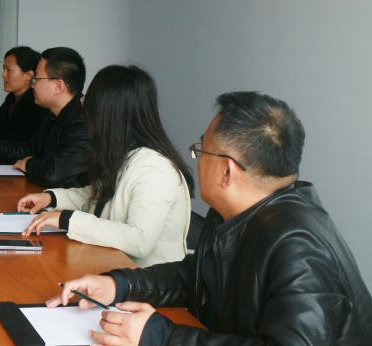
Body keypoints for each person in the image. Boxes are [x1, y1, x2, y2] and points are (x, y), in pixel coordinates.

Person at [51, 91, 372, 345]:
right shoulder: (240, 213)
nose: (197, 159)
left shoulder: (297, 245)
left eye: (201, 150)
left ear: (227, 171)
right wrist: (119, 284)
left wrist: (160, 336)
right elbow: (196, 277)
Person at [18, 65, 194, 267]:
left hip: (144, 278)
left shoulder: (155, 169)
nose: (84, 106)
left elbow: (139, 240)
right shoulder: (124, 153)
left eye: (89, 100)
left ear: (109, 113)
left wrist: (68, 220)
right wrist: (51, 198)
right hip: (110, 266)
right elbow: (97, 195)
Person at [0, 46, 90, 188]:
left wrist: (28, 164)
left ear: (58, 86)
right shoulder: (54, 114)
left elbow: (52, 174)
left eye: (36, 79)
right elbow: (31, 148)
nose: (32, 85)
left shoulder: (83, 123)